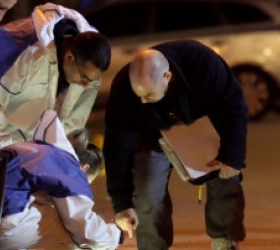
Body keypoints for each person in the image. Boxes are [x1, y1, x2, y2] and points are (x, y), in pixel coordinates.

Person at [103, 40, 248, 250]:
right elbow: (117, 146)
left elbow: (234, 106)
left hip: (203, 124)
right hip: (152, 134)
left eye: (148, 95)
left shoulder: (202, 63)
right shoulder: (124, 88)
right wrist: (122, 203)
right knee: (147, 193)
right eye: (139, 96)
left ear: (167, 76)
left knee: (225, 176)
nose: (142, 101)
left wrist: (232, 156)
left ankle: (225, 241)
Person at [0, 3, 111, 149]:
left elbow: (72, 125)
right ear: (69, 57)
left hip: (30, 152)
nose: (85, 85)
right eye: (84, 78)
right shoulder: (24, 51)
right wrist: (9, 152)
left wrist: (66, 157)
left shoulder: (88, 65)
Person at [0, 110, 124, 250]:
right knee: (75, 236)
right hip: (2, 224)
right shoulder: (69, 169)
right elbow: (86, 230)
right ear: (84, 168)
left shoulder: (35, 148)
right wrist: (114, 234)